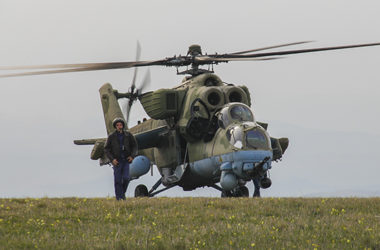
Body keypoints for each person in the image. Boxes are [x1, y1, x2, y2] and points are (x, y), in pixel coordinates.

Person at [104, 117, 138, 200]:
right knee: (118, 180)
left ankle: (122, 194)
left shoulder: (128, 135)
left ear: (123, 126)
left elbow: (134, 146)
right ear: (115, 126)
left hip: (126, 160)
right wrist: (112, 159)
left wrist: (132, 156)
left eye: (121, 125)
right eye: (118, 125)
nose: (119, 126)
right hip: (117, 161)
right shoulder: (111, 136)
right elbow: (106, 149)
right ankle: (119, 198)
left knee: (126, 178)